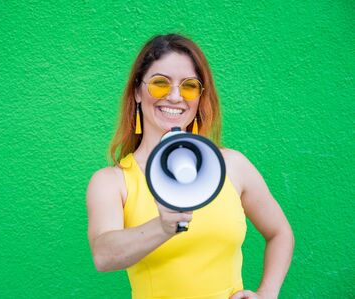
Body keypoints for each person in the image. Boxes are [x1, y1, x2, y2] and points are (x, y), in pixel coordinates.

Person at [87, 33, 294, 299]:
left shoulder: (232, 165)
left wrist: (267, 293)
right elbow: (103, 256)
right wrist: (162, 227)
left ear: (199, 97)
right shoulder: (112, 181)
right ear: (138, 91)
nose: (175, 97)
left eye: (189, 86)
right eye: (160, 83)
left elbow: (280, 233)